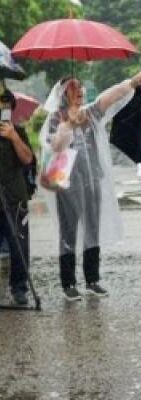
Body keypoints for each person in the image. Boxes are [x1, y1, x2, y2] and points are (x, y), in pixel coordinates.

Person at [40, 71, 141, 301]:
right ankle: (68, 282)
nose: (80, 91)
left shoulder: (89, 113)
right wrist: (67, 125)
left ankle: (92, 280)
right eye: (74, 88)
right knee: (68, 233)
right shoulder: (55, 119)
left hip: (91, 183)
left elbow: (108, 97)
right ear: (63, 94)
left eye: (81, 87)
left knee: (92, 230)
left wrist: (131, 83)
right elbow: (55, 148)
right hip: (66, 185)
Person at [0, 89, 35, 305]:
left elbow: (28, 159)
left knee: (19, 245)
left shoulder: (18, 132)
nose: (2, 109)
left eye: (5, 106)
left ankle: (19, 287)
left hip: (14, 198)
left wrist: (13, 137)